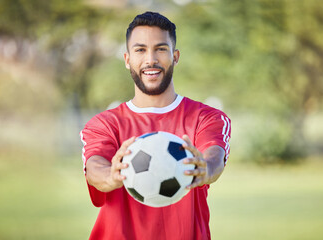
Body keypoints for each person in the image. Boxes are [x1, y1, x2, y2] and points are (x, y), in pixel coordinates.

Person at [80, 11, 231, 240]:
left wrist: (206, 168)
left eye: (160, 49)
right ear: (127, 59)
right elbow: (94, 167)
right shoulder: (104, 124)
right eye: (140, 50)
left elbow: (214, 156)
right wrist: (111, 176)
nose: (151, 59)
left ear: (175, 56)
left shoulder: (206, 118)